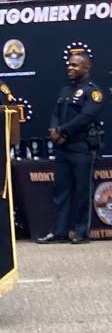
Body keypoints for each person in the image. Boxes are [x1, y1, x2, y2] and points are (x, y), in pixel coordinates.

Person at [36, 53, 104, 245]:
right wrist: (54, 129)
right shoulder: (65, 90)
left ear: (86, 68)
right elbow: (55, 113)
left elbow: (86, 116)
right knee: (61, 191)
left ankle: (82, 232)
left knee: (83, 191)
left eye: (75, 65)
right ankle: (60, 232)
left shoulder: (94, 92)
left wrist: (63, 130)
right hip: (62, 148)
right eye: (69, 65)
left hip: (81, 147)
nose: (70, 68)